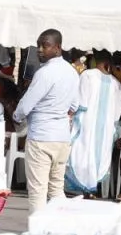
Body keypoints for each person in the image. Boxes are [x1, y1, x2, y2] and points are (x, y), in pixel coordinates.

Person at [12, 27, 78, 212]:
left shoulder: (44, 73)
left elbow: (25, 106)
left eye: (45, 46)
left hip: (41, 138)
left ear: (58, 48)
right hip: (62, 139)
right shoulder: (72, 72)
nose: (40, 50)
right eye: (38, 45)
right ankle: (60, 231)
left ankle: (36, 233)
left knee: (37, 191)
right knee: (56, 189)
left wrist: (16, 116)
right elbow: (74, 105)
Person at [67, 52, 121, 195]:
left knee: (82, 152)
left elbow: (80, 103)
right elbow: (117, 112)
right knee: (97, 156)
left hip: (86, 123)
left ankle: (83, 189)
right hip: (106, 128)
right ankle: (91, 188)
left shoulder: (87, 75)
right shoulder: (116, 83)